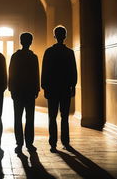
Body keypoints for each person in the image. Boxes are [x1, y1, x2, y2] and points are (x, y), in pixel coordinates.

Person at [41, 25, 77, 153]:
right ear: (65, 36)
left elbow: (44, 71)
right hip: (65, 88)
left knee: (52, 117)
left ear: (54, 36)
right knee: (64, 117)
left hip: (52, 88)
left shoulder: (49, 52)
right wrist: (73, 86)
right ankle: (65, 142)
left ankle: (53, 143)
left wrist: (44, 86)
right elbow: (73, 71)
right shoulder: (69, 52)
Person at [9, 33, 40, 153]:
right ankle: (29, 142)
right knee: (30, 117)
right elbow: (36, 74)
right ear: (31, 42)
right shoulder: (33, 57)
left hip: (18, 91)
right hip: (30, 91)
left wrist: (11, 89)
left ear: (20, 41)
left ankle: (19, 142)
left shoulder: (15, 56)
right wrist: (36, 89)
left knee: (17, 117)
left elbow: (11, 73)